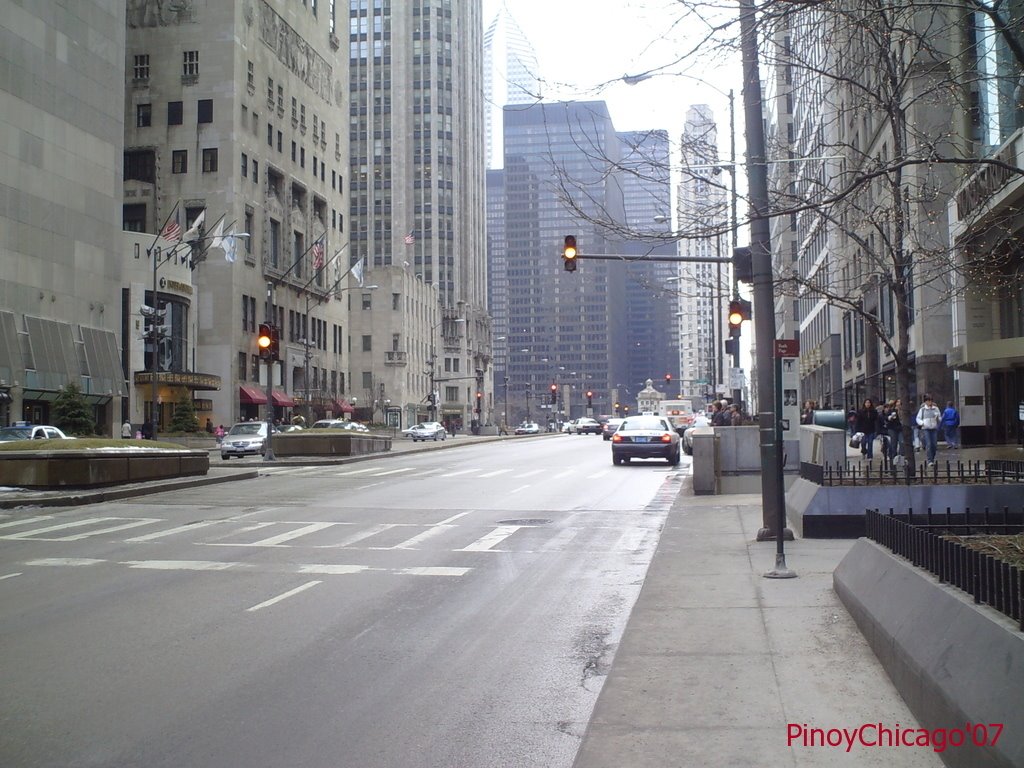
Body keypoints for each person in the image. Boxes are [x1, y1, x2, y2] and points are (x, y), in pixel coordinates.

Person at [916, 395, 942, 465]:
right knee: (929, 444)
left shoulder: (936, 409)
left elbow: (940, 418)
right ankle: (929, 460)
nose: (930, 402)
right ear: (925, 402)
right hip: (926, 428)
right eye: (928, 401)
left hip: (934, 428)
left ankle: (932, 457)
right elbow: (918, 418)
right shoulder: (922, 409)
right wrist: (922, 423)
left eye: (931, 400)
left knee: (934, 444)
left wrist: (937, 418)